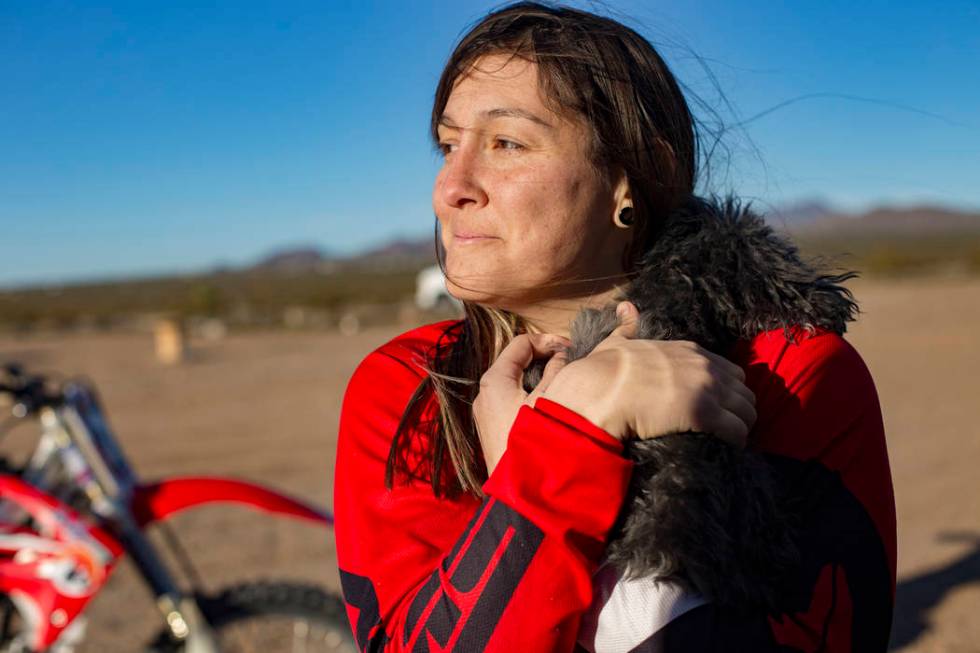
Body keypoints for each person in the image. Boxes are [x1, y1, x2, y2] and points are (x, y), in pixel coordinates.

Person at [333, 3, 896, 651]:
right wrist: (570, 438)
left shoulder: (791, 369)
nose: (450, 187)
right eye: (449, 144)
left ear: (631, 180)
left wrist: (552, 453)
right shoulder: (408, 386)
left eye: (506, 143)